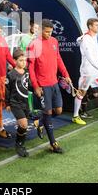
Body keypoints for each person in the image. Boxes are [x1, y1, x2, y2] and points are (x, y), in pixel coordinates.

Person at [27, 19, 71, 153]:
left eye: (50, 32)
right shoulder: (33, 45)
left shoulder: (54, 42)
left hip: (54, 83)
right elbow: (30, 67)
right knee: (48, 112)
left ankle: (40, 122)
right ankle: (53, 143)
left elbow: (59, 59)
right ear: (40, 30)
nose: (48, 34)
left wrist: (66, 74)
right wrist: (36, 86)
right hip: (42, 85)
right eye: (46, 32)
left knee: (58, 111)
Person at [5, 49, 33, 157]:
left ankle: (21, 143)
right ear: (14, 60)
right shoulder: (11, 74)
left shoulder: (27, 72)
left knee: (23, 126)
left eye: (24, 60)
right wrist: (7, 104)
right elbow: (6, 90)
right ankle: (19, 144)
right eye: (21, 60)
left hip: (25, 102)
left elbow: (29, 86)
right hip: (15, 102)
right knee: (24, 123)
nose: (23, 62)